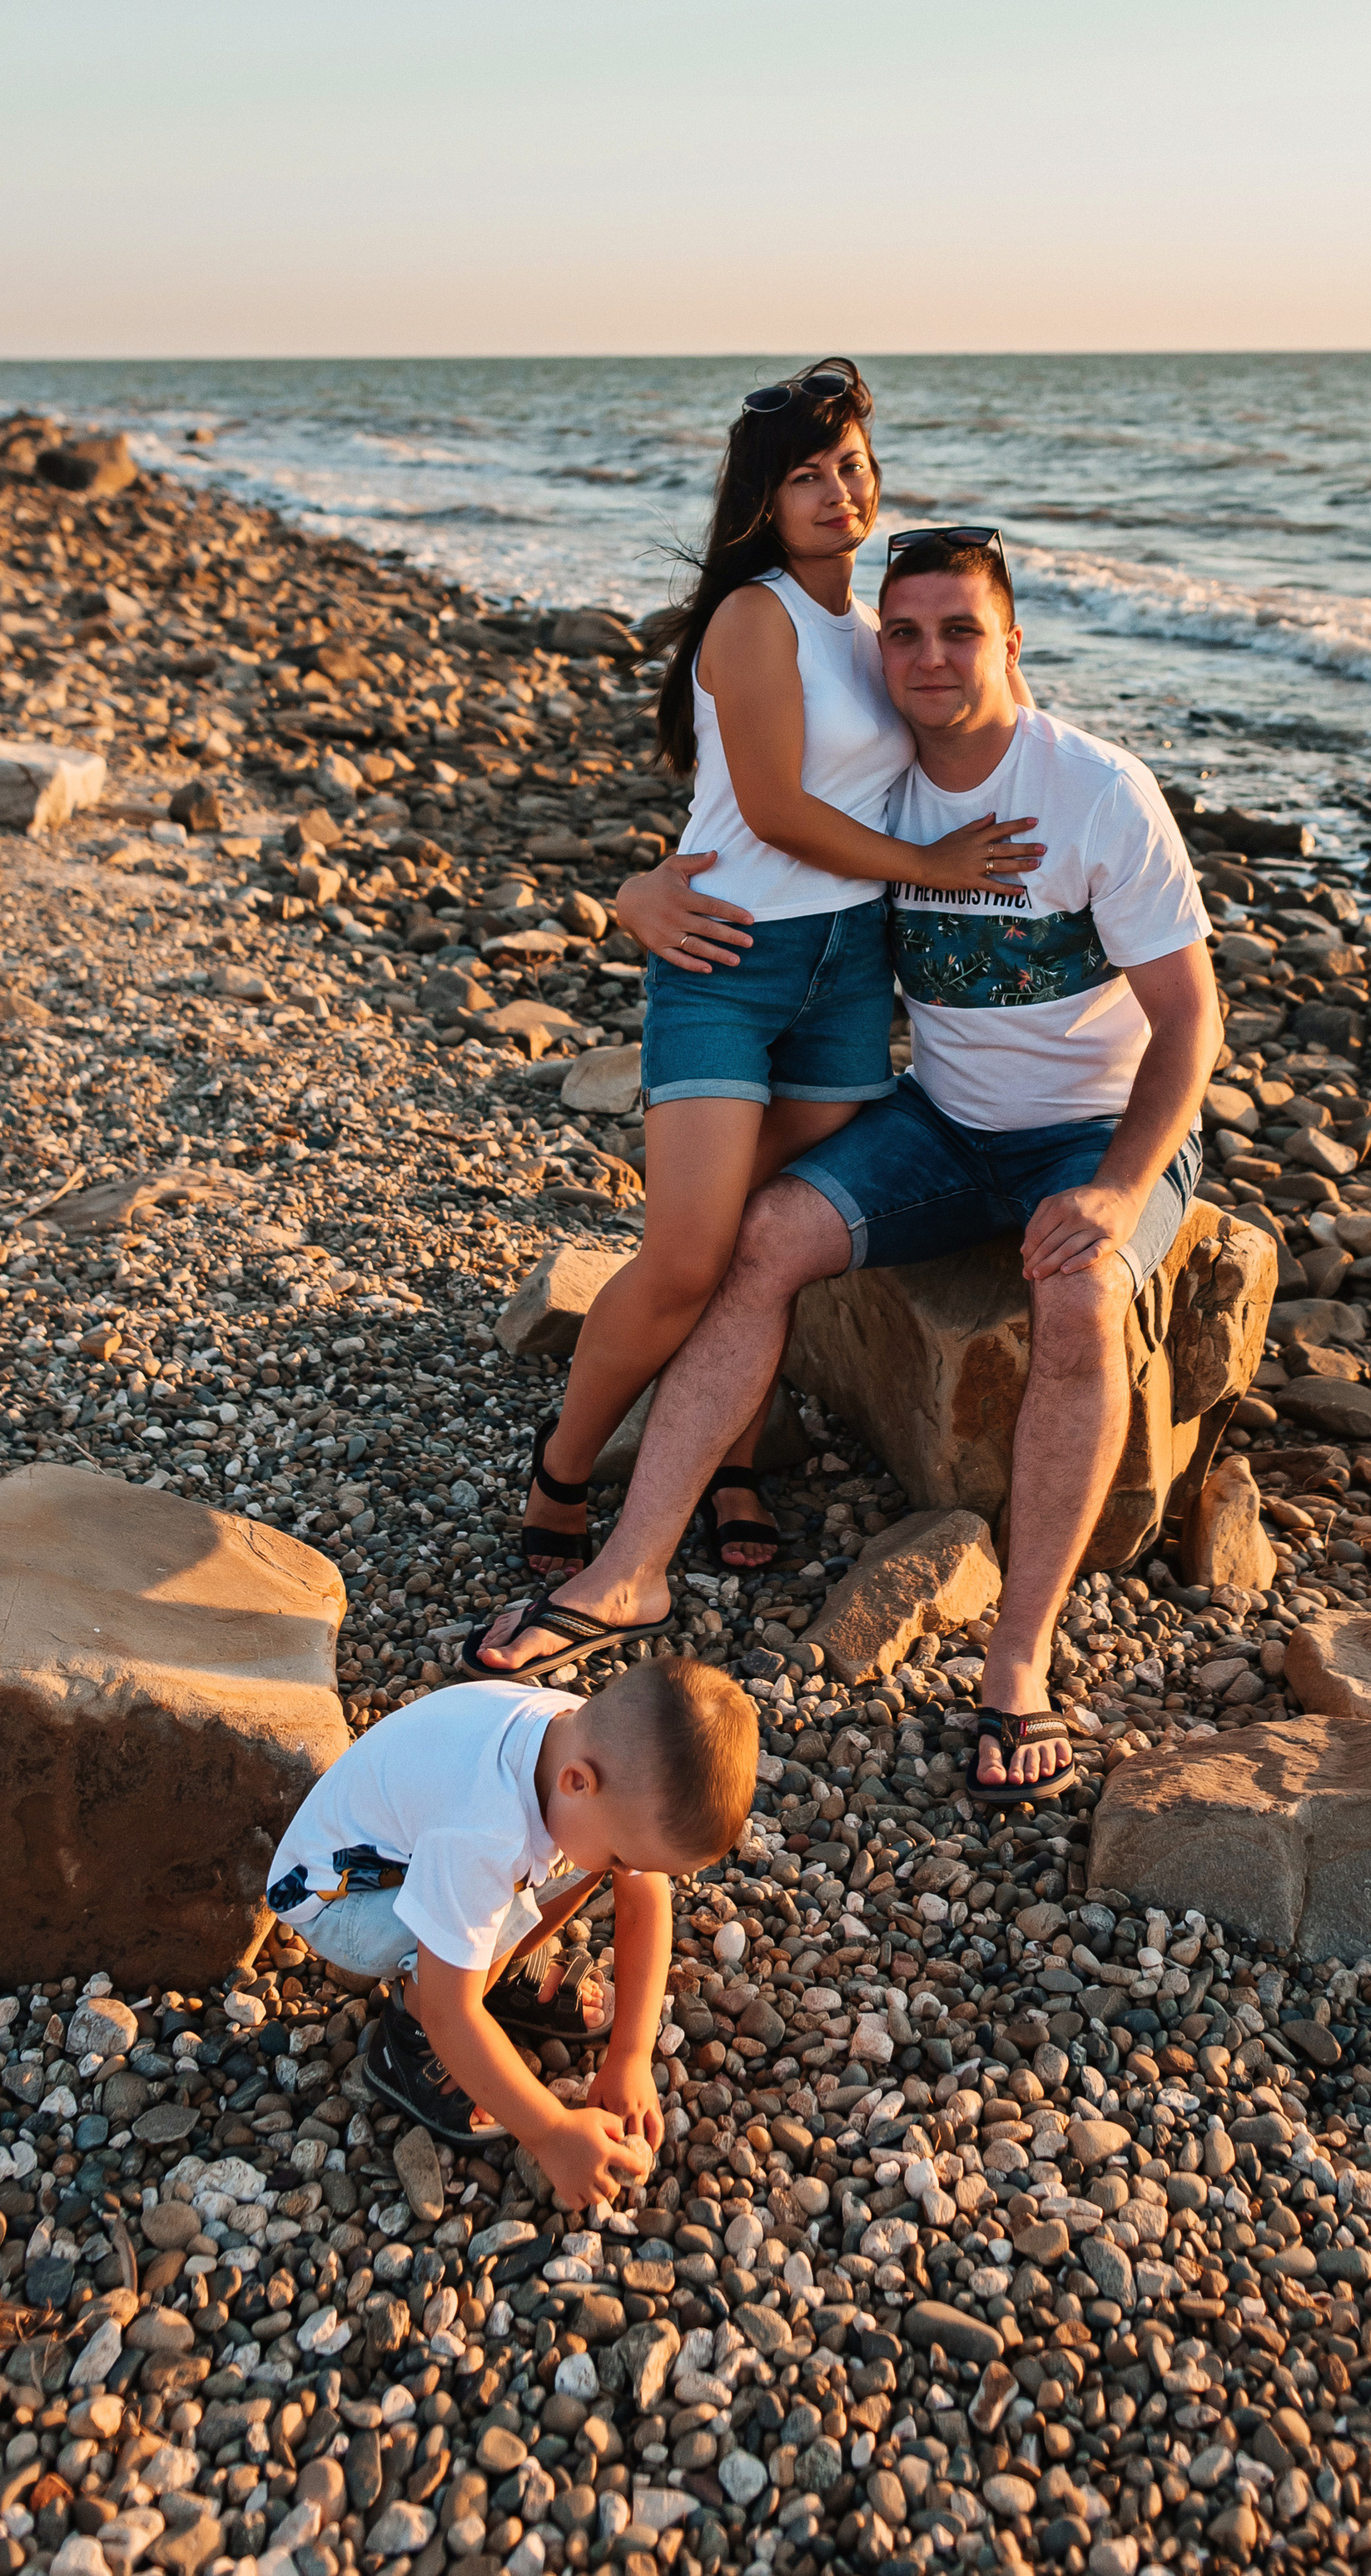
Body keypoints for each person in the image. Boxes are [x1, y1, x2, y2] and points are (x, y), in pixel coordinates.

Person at [474, 531, 1219, 1812]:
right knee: (764, 1235)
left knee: (1084, 1295)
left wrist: (1110, 1189)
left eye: (961, 631)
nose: (931, 658)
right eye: (905, 633)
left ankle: (1020, 1655)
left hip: (1093, 1131)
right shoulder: (874, 789)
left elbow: (1192, 1019)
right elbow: (736, 837)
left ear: (1012, 643)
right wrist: (638, 894)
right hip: (941, 1125)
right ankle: (629, 1571)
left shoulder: (1097, 790)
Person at [489, 361, 1041, 1651]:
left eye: (851, 465)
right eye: (806, 474)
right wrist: (929, 866)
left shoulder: (874, 630)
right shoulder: (753, 616)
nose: (837, 490)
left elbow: (969, 716)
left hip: (847, 973)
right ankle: (564, 1463)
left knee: (760, 1236)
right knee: (688, 1252)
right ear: (765, 498)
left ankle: (732, 1457)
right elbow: (780, 811)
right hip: (727, 959)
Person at [262, 1657, 757, 2207]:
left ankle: (489, 1972)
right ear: (577, 1782)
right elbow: (452, 2012)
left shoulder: (588, 1748)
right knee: (500, 1914)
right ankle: (407, 2040)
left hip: (405, 1857)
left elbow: (644, 1900)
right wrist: (552, 2133)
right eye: (625, 1858)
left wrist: (631, 2055)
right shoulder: (484, 1833)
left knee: (582, 1857)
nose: (626, 1870)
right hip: (336, 1902)